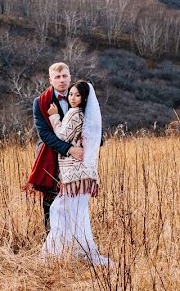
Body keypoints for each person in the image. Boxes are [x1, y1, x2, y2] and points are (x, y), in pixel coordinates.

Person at [40, 80, 110, 265]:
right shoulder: (86, 116)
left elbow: (61, 136)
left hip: (74, 175)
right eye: (71, 94)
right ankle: (78, 251)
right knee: (77, 213)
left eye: (77, 95)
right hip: (84, 174)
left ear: (84, 98)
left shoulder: (75, 114)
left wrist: (54, 117)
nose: (72, 98)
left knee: (60, 210)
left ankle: (61, 253)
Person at [22, 63, 85, 231]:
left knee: (74, 197)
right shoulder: (40, 102)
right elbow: (45, 135)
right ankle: (50, 240)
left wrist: (90, 144)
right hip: (49, 154)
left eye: (65, 76)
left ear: (70, 77)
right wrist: (70, 149)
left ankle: (74, 237)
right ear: (50, 80)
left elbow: (91, 125)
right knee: (51, 200)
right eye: (57, 77)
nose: (62, 80)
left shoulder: (81, 97)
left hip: (76, 158)